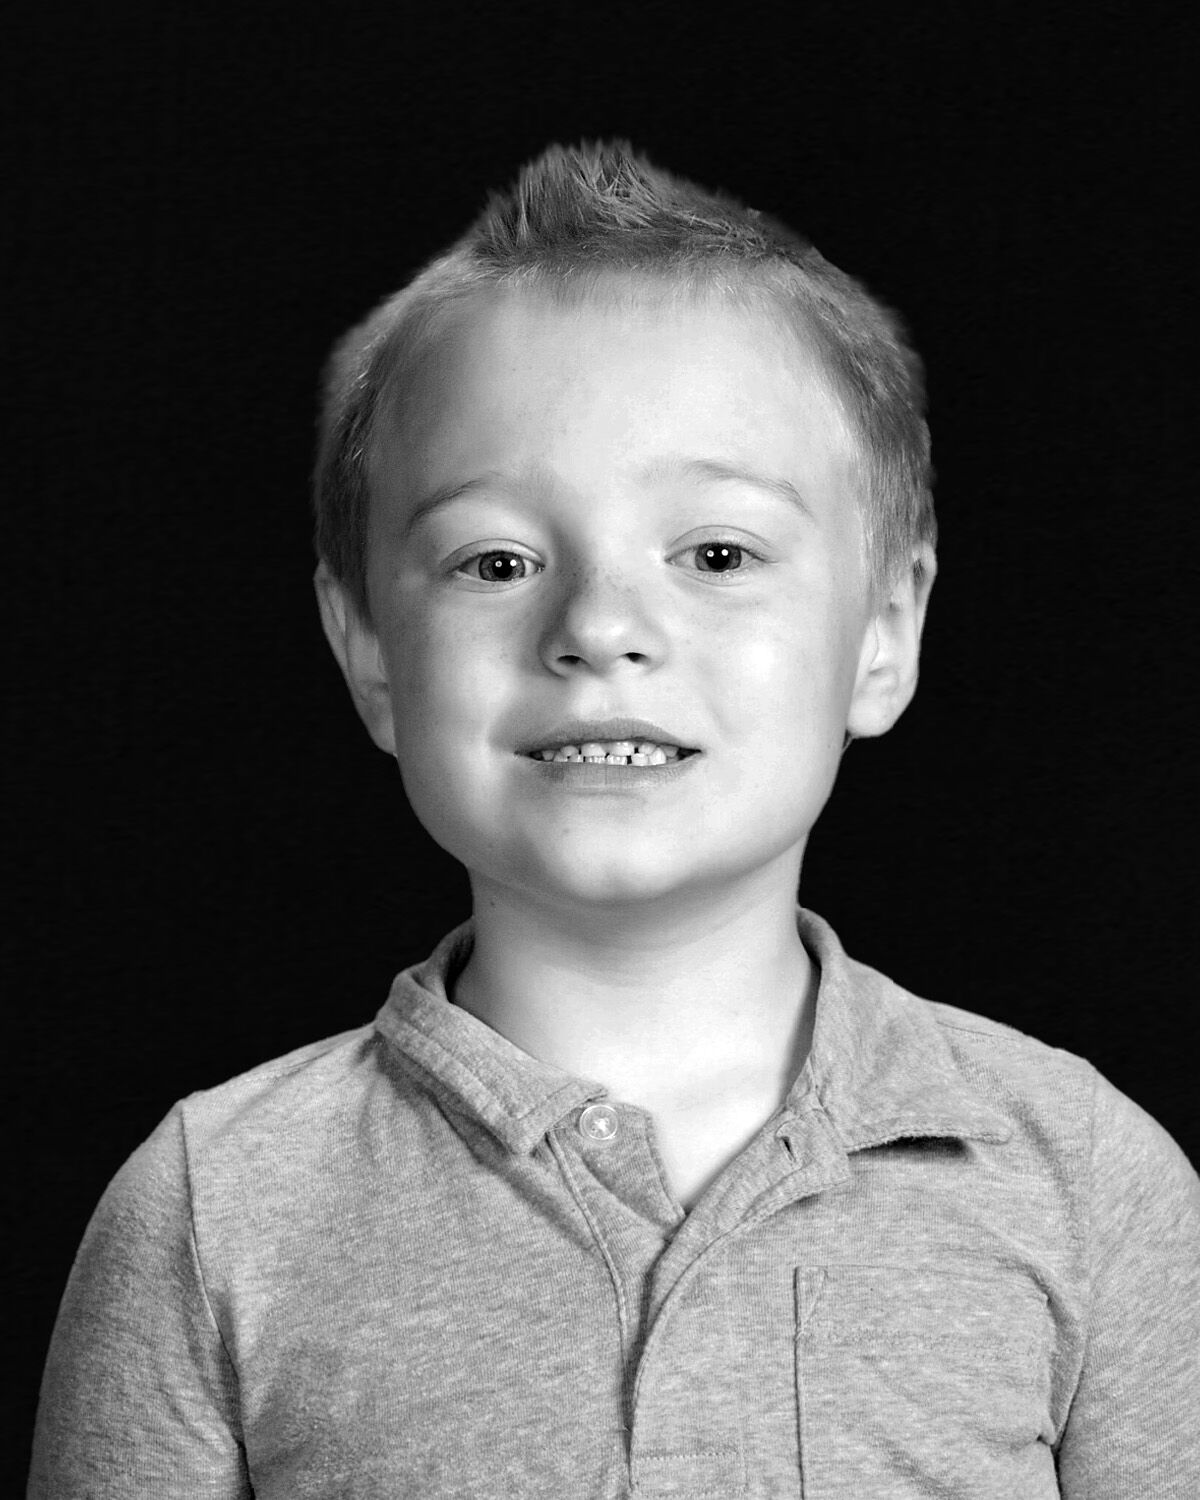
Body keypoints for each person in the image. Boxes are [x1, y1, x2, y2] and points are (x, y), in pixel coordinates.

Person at [28, 138, 1199, 1498]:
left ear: (885, 634)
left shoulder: (1085, 1179)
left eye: (717, 553)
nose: (597, 627)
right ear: (371, 657)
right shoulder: (213, 1209)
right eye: (497, 560)